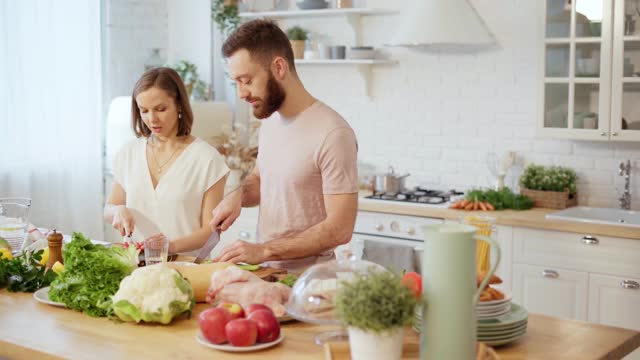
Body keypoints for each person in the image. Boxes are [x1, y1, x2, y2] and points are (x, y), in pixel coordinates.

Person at [210, 19, 359, 271]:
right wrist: (238, 196)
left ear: (279, 67)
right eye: (236, 82)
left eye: (246, 80)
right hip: (267, 275)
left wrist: (265, 249)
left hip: (310, 284)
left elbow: (339, 229)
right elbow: (260, 179)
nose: (241, 93)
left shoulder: (333, 133)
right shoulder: (272, 121)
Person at [104, 67, 229, 255]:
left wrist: (170, 247)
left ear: (179, 104)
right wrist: (117, 211)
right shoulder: (129, 153)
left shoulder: (207, 159)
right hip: (136, 268)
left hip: (185, 269)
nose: (152, 119)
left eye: (160, 109)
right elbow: (109, 209)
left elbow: (211, 231)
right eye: (144, 111)